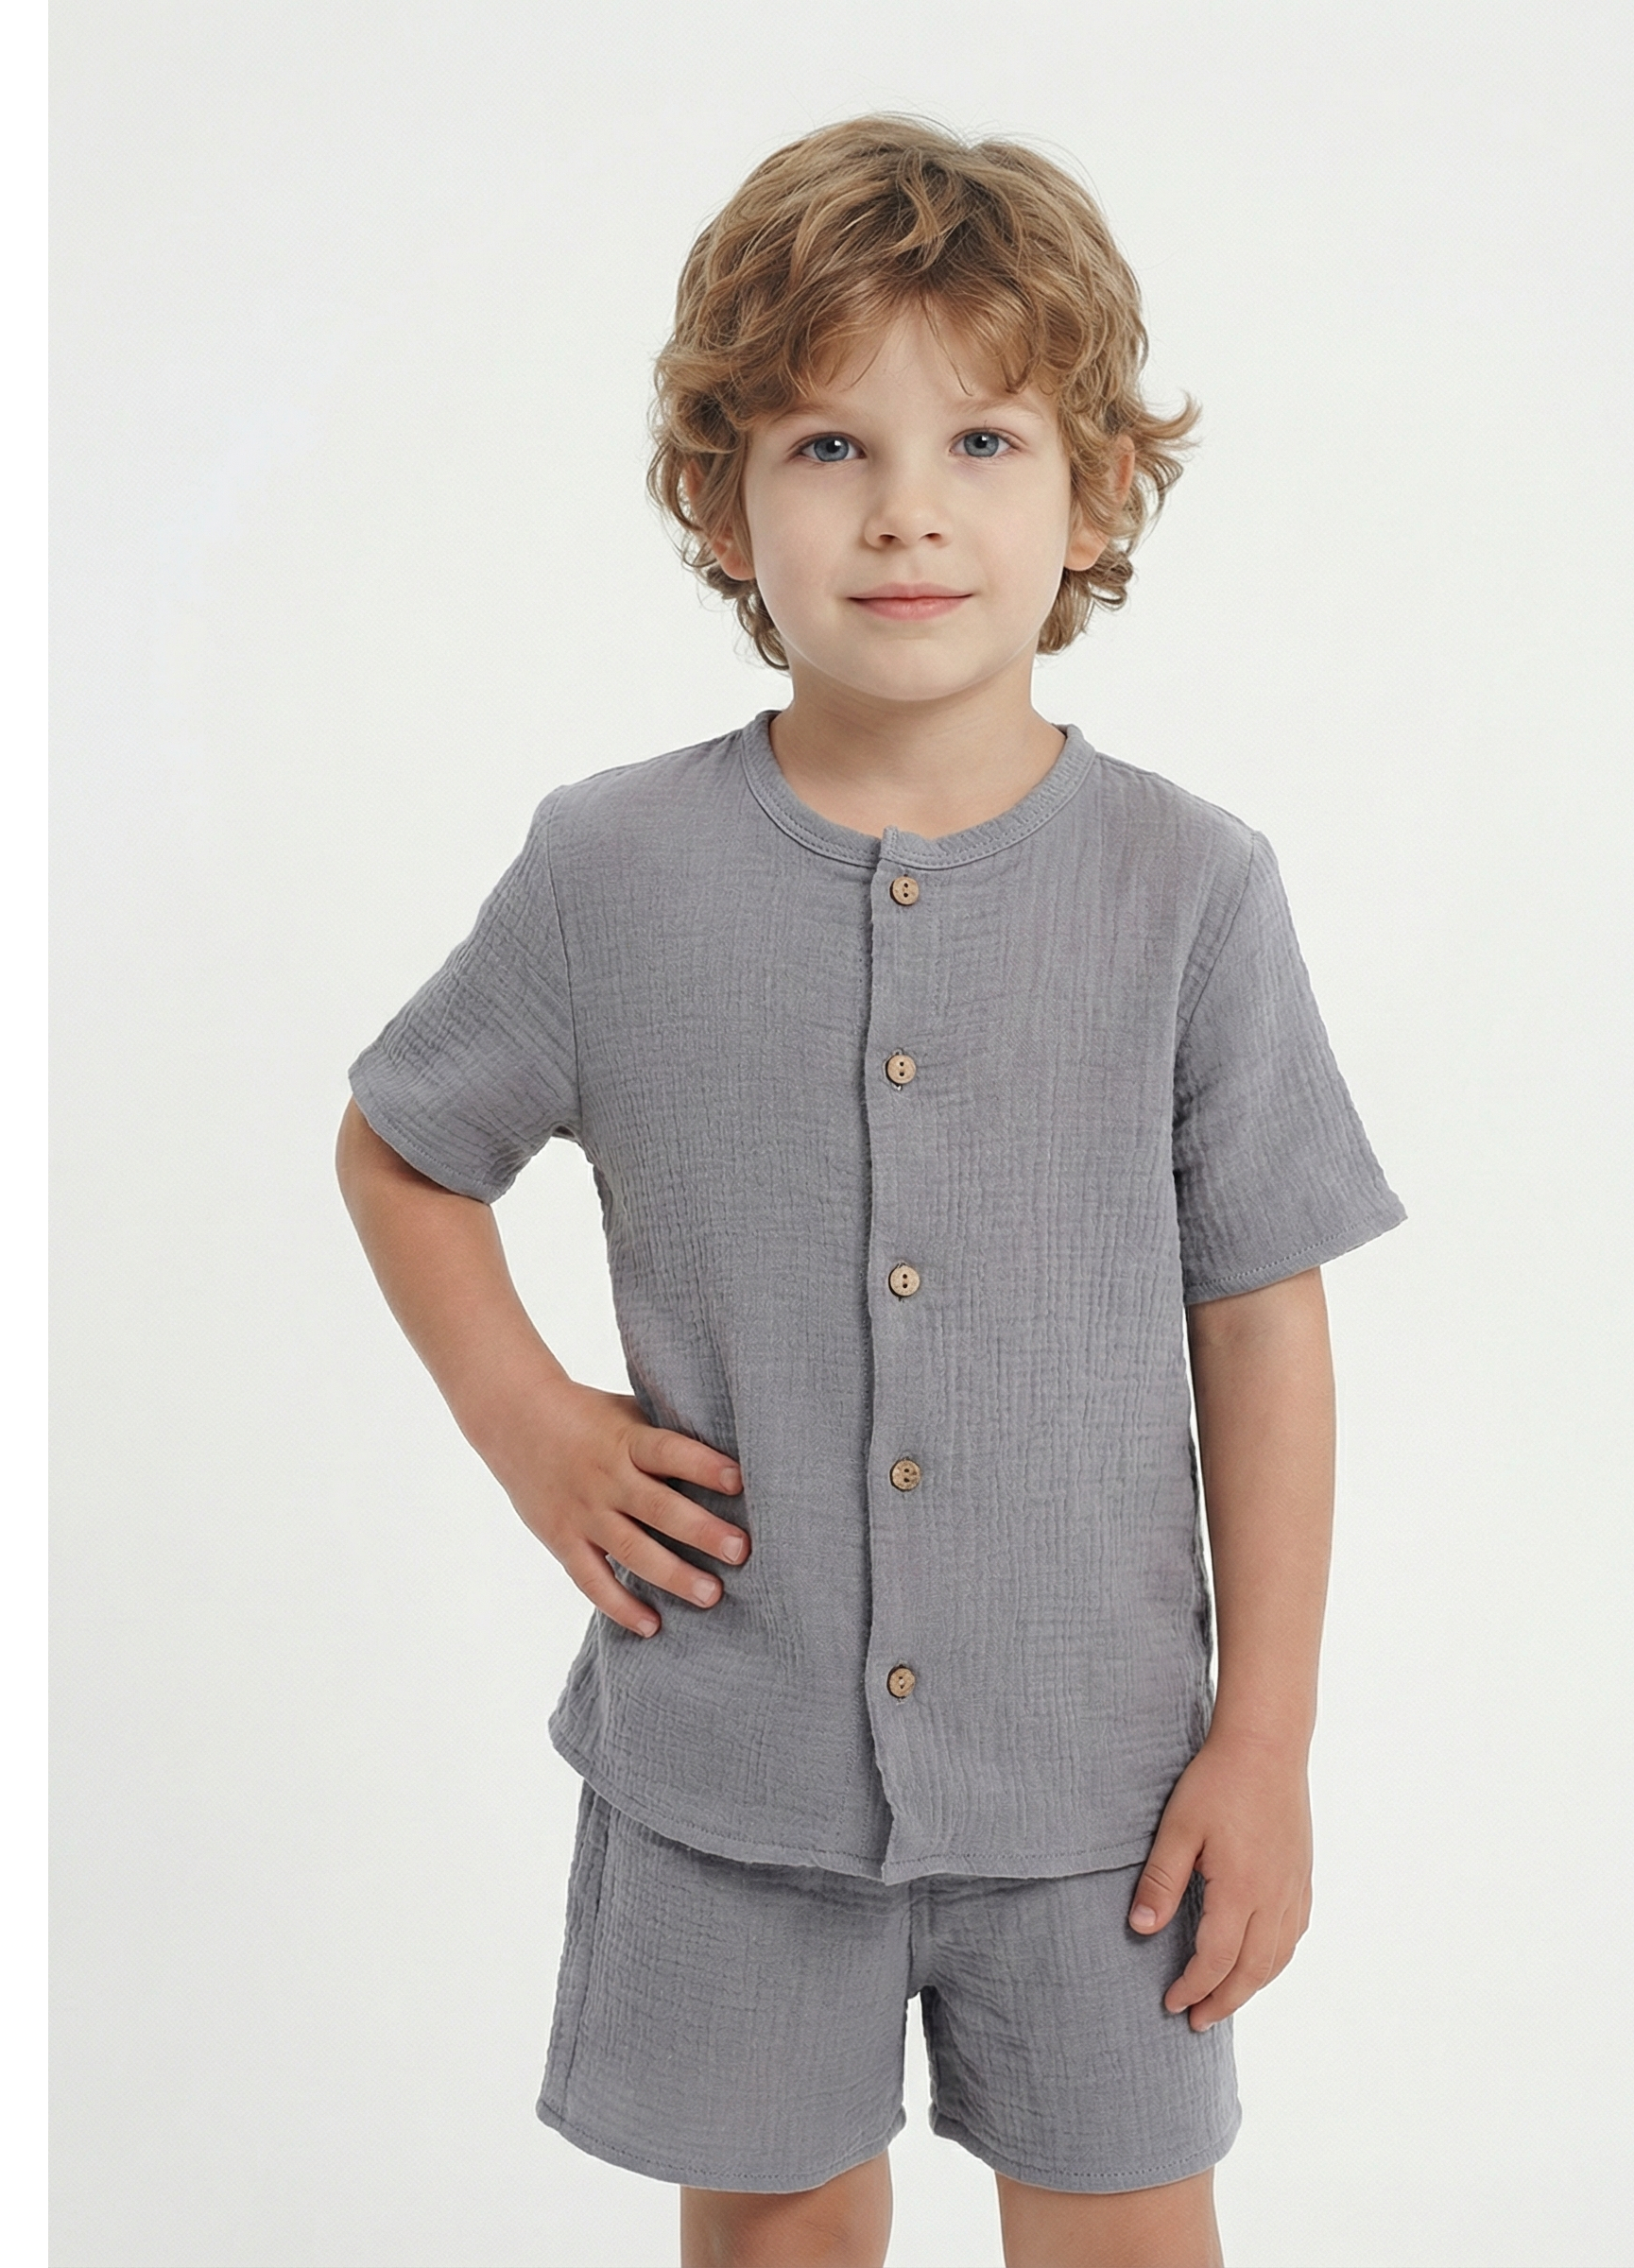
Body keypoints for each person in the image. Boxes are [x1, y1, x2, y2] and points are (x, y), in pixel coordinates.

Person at [336, 113, 1406, 2268]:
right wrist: (533, 1426)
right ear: (719, 499)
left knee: (1128, 2237)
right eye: (829, 445)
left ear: (1095, 492)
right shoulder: (610, 871)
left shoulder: (1192, 891)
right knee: (775, 2241)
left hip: (1106, 1784)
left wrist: (1265, 1740)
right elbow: (402, 1145)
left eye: (984, 441)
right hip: (729, 1767)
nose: (907, 508)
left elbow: (1260, 1313)